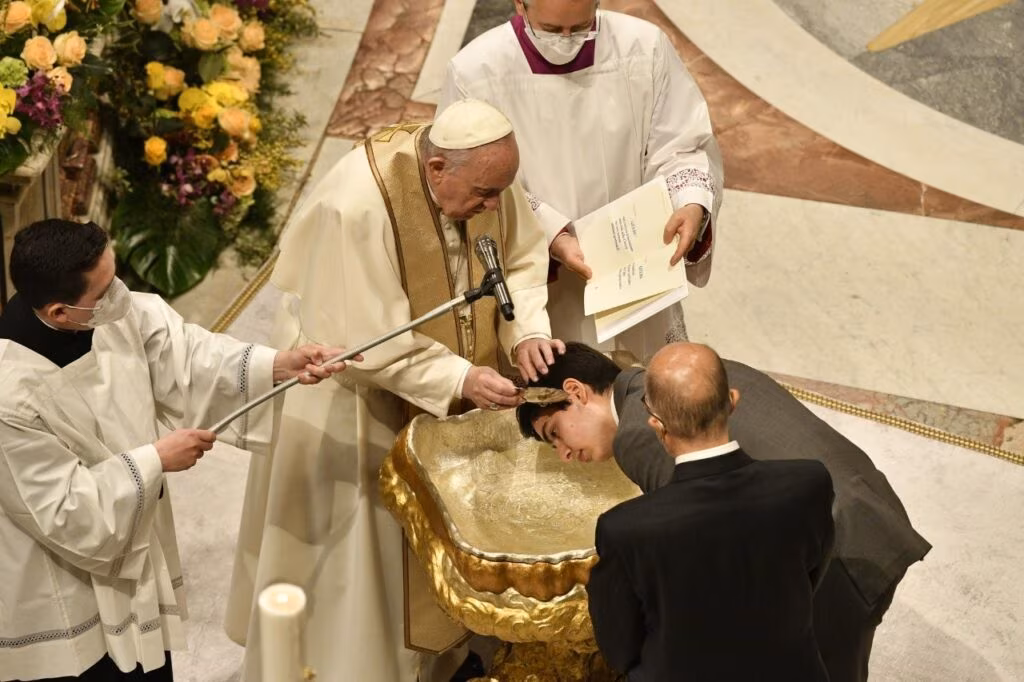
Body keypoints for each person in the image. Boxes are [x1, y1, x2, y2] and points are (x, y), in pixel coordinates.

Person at [225, 100, 561, 682]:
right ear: (436, 170)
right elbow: (364, 338)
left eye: (497, 193)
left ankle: (440, 658)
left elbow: (520, 255)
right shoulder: (356, 204)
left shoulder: (484, 172)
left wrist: (526, 328)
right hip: (353, 395)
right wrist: (458, 378)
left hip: (444, 391)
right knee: (363, 555)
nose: (490, 207)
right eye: (483, 194)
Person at [0, 219, 347, 682]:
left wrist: (278, 365)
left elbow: (190, 357)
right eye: (104, 291)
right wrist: (157, 460)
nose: (120, 295)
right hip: (64, 574)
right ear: (61, 313)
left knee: (148, 663)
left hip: (132, 531)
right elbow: (62, 510)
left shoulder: (115, 314)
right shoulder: (10, 395)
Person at [517, 342, 933, 682]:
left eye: (554, 434)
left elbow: (702, 532)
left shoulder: (637, 432)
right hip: (868, 508)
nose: (565, 454)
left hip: (839, 557)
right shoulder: (703, 370)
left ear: (576, 392)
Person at [439, 0, 724, 360]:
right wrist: (552, 233)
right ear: (519, 4)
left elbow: (682, 143)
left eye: (580, 27)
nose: (567, 40)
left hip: (635, 265)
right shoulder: (475, 71)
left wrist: (691, 200)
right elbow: (468, 180)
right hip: (542, 280)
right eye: (553, 30)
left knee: (645, 389)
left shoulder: (644, 47)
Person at [587, 343, 834, 680]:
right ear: (732, 402)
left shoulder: (623, 529)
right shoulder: (809, 483)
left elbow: (619, 649)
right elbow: (810, 578)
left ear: (658, 427)